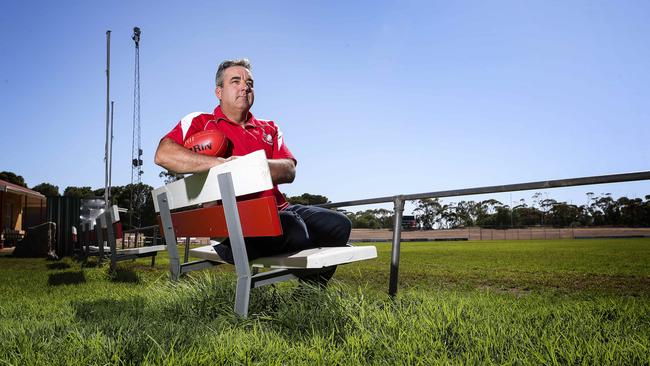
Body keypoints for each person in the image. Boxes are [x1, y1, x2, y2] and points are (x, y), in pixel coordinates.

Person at [154, 58, 351, 285]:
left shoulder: (269, 127)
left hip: (281, 210)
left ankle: (308, 295)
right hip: (235, 223)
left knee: (339, 224)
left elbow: (289, 169)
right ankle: (304, 279)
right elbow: (163, 154)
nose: (244, 86)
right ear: (219, 91)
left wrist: (247, 166)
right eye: (235, 81)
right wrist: (223, 165)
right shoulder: (201, 121)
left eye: (250, 83)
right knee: (295, 229)